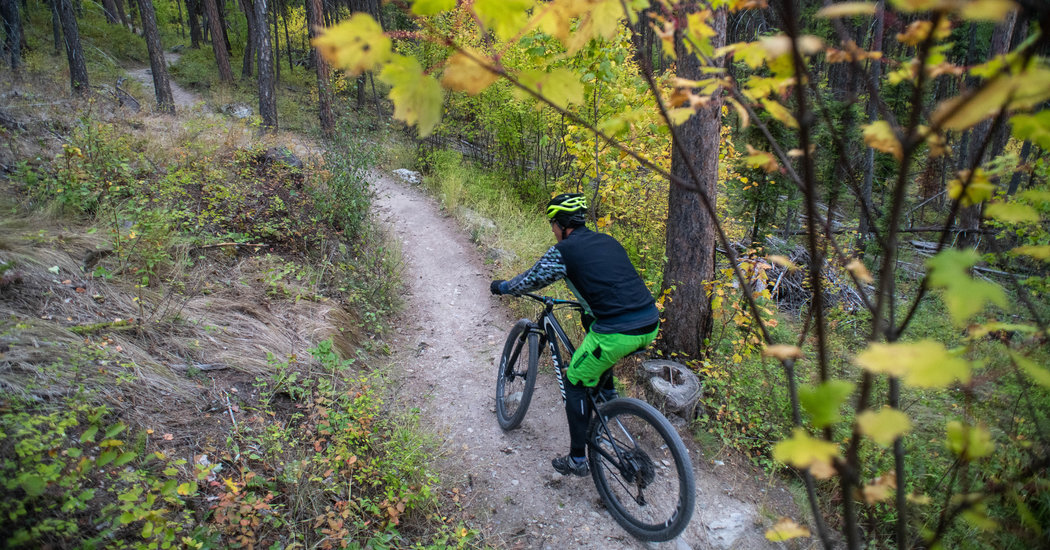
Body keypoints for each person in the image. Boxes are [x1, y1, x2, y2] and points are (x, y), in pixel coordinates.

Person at [490, 193, 660, 476]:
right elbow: (612, 282)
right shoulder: (608, 241)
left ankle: (577, 460)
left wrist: (504, 286)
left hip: (617, 332)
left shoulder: (564, 251)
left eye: (552, 225)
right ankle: (608, 397)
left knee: (574, 381)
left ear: (562, 225)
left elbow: (530, 280)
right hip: (650, 323)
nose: (553, 231)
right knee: (593, 331)